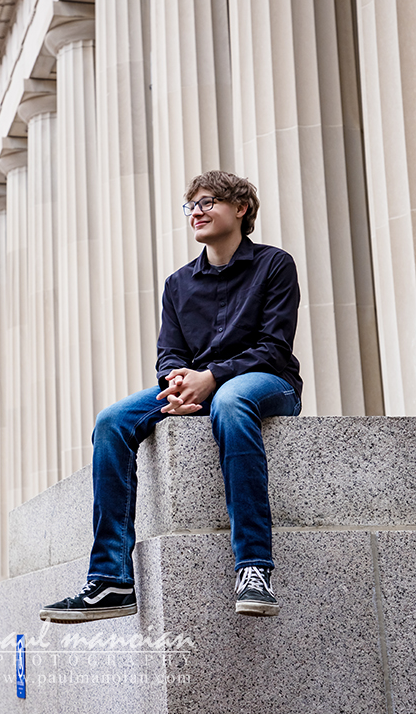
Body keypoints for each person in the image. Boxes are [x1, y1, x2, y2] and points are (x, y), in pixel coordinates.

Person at [40, 170, 302, 624]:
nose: (197, 212)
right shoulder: (178, 284)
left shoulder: (274, 265)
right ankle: (113, 581)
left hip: (266, 382)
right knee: (112, 421)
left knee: (231, 401)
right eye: (192, 205)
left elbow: (274, 347)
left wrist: (212, 378)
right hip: (196, 387)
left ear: (241, 209)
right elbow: (170, 354)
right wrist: (176, 386)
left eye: (209, 202)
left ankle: (254, 566)